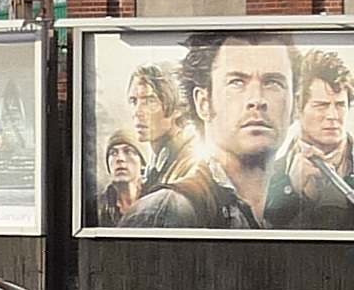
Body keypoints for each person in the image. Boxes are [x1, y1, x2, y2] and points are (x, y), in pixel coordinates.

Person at [124, 35, 297, 229]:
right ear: (203, 103)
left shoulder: (274, 219)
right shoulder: (166, 211)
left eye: (273, 82)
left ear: (295, 106)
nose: (257, 99)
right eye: (236, 82)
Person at [263, 50, 354, 228]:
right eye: (321, 105)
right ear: (297, 108)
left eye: (340, 105)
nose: (332, 115)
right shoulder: (265, 179)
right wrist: (290, 189)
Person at [123, 64, 191, 191]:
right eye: (134, 101)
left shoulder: (190, 162)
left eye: (150, 101)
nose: (137, 112)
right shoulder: (155, 162)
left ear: (178, 108)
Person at [96, 128, 147, 225]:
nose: (120, 159)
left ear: (142, 163)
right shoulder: (97, 207)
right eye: (113, 153)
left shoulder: (159, 201)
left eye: (128, 152)